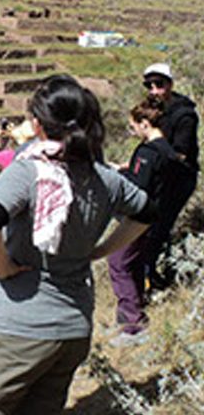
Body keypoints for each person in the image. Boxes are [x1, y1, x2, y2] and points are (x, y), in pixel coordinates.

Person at [0, 75, 154, 414]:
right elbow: (145, 212)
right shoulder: (106, 179)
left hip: (18, 329)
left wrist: (4, 268)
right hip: (72, 327)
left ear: (38, 124)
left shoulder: (30, 171)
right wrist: (100, 250)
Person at [107, 98, 180, 346]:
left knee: (118, 262)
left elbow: (139, 188)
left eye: (133, 126)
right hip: (158, 215)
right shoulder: (169, 151)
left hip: (139, 216)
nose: (133, 132)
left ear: (145, 124)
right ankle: (134, 311)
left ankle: (133, 323)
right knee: (134, 262)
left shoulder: (148, 152)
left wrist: (119, 178)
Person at [142, 63, 199, 290]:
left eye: (159, 84)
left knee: (159, 226)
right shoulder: (156, 108)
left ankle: (150, 274)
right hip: (158, 176)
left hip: (178, 179)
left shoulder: (185, 115)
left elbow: (181, 154)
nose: (154, 90)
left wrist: (155, 141)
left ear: (170, 84)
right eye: (149, 85)